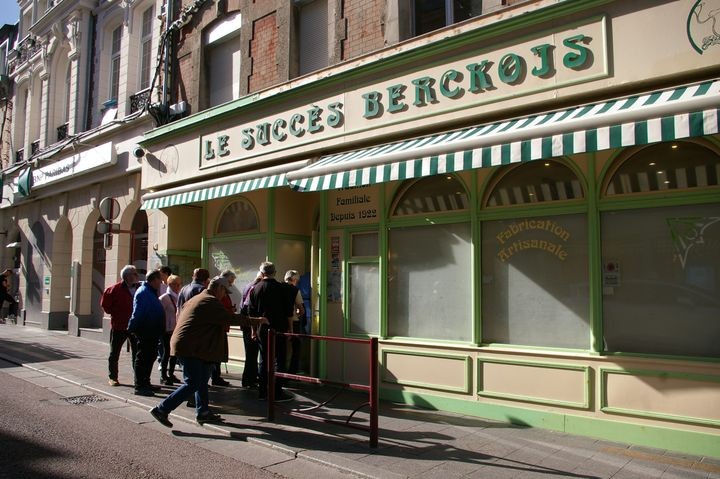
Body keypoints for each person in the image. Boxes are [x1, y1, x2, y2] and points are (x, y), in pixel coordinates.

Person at [149, 276, 268, 428]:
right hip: (191, 347)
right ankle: (162, 409)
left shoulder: (199, 298)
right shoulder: (209, 301)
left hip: (195, 346)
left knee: (202, 380)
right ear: (218, 288)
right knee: (193, 383)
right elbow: (229, 318)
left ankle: (203, 412)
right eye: (224, 292)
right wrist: (257, 321)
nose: (224, 295)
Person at [249, 261, 294, 402]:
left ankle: (263, 391)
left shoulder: (255, 289)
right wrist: (291, 329)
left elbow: (251, 312)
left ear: (262, 273)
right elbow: (289, 312)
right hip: (279, 329)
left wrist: (253, 331)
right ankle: (277, 391)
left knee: (263, 360)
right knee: (280, 359)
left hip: (262, 328)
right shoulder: (282, 288)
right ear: (274, 272)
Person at [128, 270, 166, 396]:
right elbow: (138, 312)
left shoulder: (150, 291)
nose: (161, 282)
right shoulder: (143, 292)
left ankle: (146, 382)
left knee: (150, 357)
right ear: (154, 280)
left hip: (152, 330)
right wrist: (132, 327)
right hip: (145, 331)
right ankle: (139, 385)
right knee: (143, 358)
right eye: (160, 280)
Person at [101, 265, 140, 387]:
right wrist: (117, 313)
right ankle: (113, 377)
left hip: (135, 326)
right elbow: (106, 306)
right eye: (134, 273)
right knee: (114, 353)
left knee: (137, 353)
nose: (137, 275)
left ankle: (138, 378)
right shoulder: (114, 289)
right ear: (127, 276)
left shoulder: (139, 287)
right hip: (119, 325)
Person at [240, 271, 262, 388]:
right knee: (252, 354)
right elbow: (249, 307)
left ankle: (251, 377)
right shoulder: (254, 288)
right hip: (250, 324)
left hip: (246, 324)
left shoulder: (247, 286)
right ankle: (249, 380)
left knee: (250, 353)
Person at [159, 274, 182, 385]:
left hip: (175, 329)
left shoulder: (179, 297)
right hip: (166, 330)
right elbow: (159, 314)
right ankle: (163, 375)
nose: (177, 286)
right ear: (169, 284)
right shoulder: (165, 298)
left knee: (174, 353)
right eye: (175, 284)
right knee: (166, 352)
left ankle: (171, 374)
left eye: (179, 284)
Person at [283, 270, 305, 375]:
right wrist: (298, 313)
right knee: (296, 347)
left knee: (281, 348)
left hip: (280, 322)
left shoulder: (278, 288)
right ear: (294, 280)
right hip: (294, 321)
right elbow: (301, 309)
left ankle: (280, 371)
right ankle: (293, 371)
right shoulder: (295, 290)